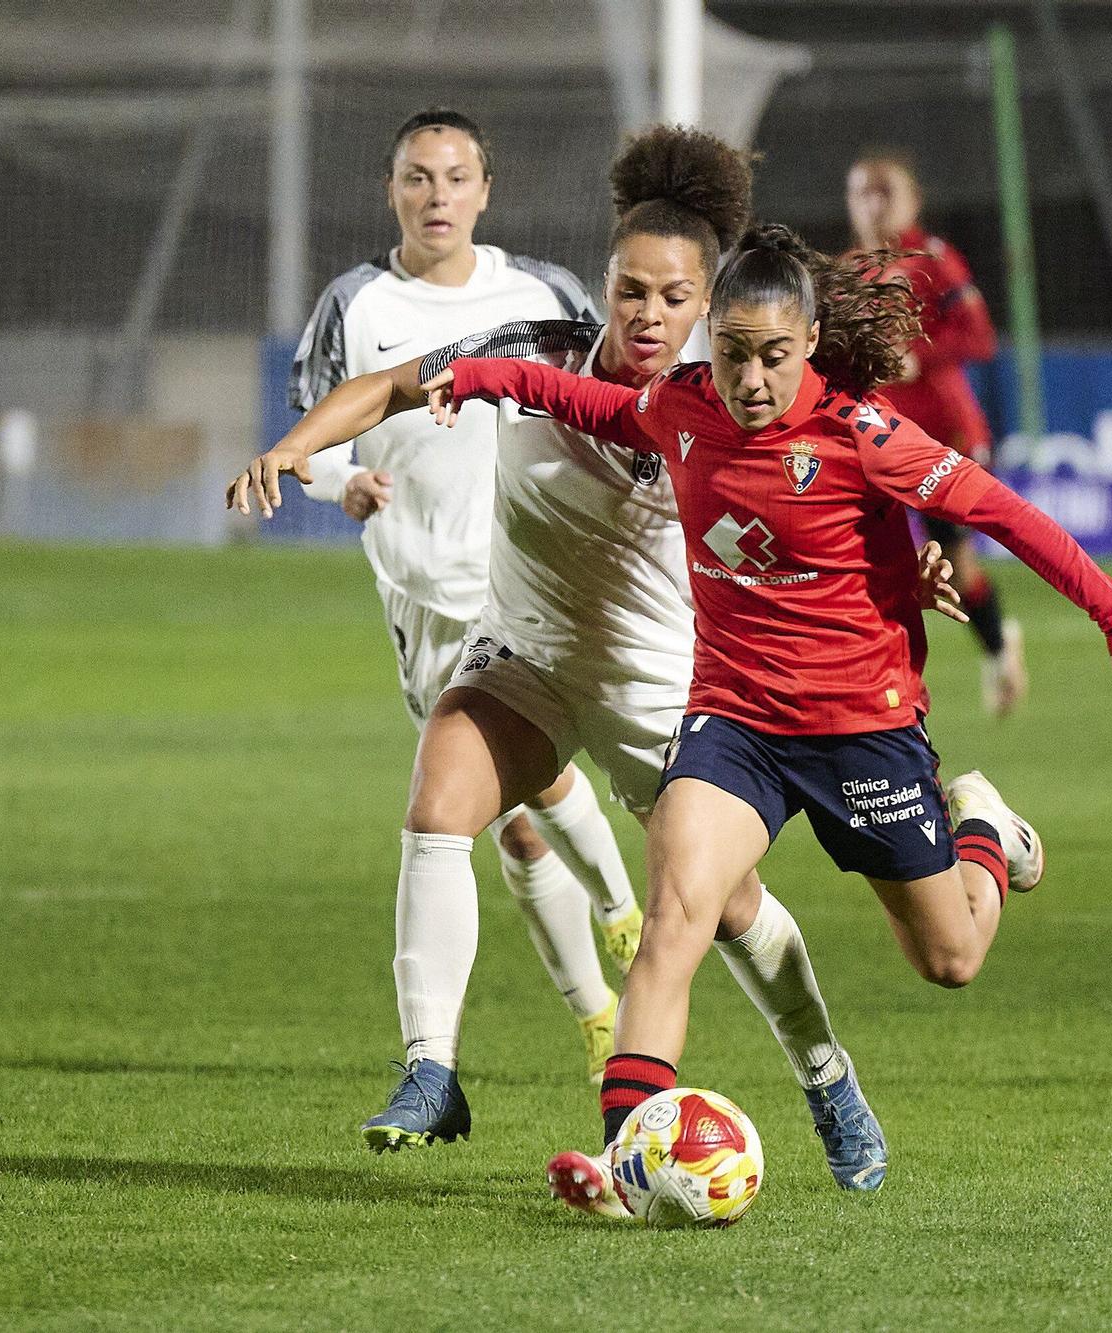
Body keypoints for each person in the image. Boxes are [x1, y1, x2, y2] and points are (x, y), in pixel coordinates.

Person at [422, 224, 1112, 1216]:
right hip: (733, 725)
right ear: (712, 340)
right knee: (673, 918)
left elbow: (1005, 513)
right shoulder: (683, 405)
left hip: (863, 736)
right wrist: (489, 376)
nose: (751, 379)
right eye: (734, 352)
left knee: (949, 959)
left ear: (805, 343)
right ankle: (631, 1163)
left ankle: (983, 828)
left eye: (773, 356)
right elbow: (595, 404)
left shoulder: (862, 434)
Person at [235, 132, 951, 1183]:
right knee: (439, 799)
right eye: (629, 290)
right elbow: (385, 387)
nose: (646, 316)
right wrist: (296, 448)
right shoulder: (535, 347)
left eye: (673, 297)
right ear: (604, 284)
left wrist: (905, 577)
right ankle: (431, 1069)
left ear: (707, 304)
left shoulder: (725, 406)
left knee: (727, 909)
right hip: (523, 653)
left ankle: (824, 1074)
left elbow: (839, 502)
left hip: (665, 691)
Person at [282, 106, 644, 1106]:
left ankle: (620, 915)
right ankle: (597, 1010)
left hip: (527, 573)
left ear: (485, 191)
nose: (436, 196)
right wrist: (338, 485)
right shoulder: (356, 304)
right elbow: (312, 439)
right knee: (515, 824)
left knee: (526, 780)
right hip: (418, 589)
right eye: (416, 178)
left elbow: (607, 414)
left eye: (454, 178)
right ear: (391, 190)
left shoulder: (541, 294)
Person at [847, 148, 1026, 716]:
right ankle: (867, 687)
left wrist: (917, 358)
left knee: (953, 567)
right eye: (862, 193)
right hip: (873, 439)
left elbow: (981, 339)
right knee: (857, 559)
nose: (874, 205)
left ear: (913, 200)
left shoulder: (935, 260)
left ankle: (999, 649)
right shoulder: (848, 271)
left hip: (942, 438)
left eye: (887, 192)